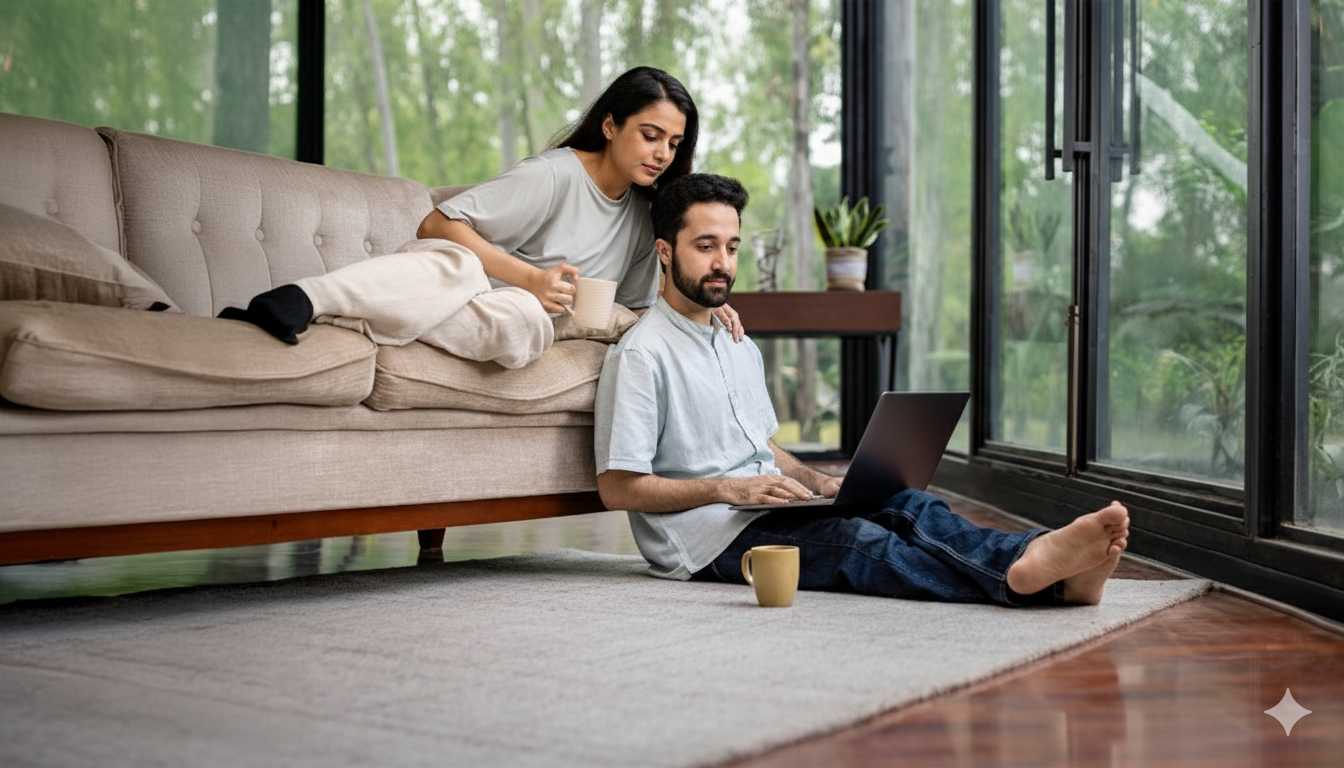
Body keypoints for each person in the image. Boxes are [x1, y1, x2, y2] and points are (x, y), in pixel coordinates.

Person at [593, 173, 1131, 606]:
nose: (723, 264)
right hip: (705, 538)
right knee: (857, 544)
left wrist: (819, 482)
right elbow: (619, 488)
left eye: (732, 247)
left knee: (907, 504)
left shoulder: (738, 342)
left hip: (761, 509)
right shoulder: (642, 353)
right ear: (666, 252)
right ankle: (1040, 581)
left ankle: (1038, 558)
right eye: (705, 246)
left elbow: (762, 446)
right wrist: (728, 489)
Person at [219, 66, 743, 368]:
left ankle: (341, 317)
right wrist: (532, 278)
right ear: (610, 126)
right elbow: (435, 225)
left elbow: (630, 309)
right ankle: (304, 298)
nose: (662, 154)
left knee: (523, 322)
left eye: (674, 143)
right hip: (449, 281)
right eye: (650, 136)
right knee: (459, 266)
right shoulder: (556, 175)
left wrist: (697, 313)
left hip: (509, 316)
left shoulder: (646, 217)